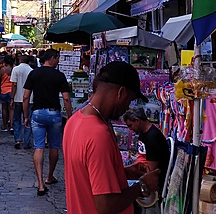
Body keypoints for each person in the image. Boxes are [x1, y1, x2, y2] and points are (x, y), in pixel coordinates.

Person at [64, 61, 160, 214]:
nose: (127, 107)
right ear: (120, 92)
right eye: (128, 100)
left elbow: (87, 176)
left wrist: (123, 172)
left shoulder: (74, 121)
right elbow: (105, 205)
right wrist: (142, 186)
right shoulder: (98, 134)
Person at [23, 48, 72, 196]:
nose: (58, 61)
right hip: (54, 113)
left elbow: (26, 96)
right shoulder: (59, 75)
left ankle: (40, 183)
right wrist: (70, 117)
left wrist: (25, 115)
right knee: (54, 146)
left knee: (38, 147)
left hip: (37, 113)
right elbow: (66, 98)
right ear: (52, 58)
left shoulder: (34, 73)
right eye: (57, 58)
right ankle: (49, 176)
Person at [122, 106, 170, 190]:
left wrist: (135, 172)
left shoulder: (152, 138)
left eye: (130, 125)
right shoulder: (144, 134)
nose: (130, 129)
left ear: (137, 121)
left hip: (154, 183)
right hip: (144, 173)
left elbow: (151, 172)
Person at [10, 54, 33, 149]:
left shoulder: (15, 69)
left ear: (20, 60)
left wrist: (12, 97)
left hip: (18, 98)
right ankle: (27, 142)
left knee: (17, 119)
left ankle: (18, 139)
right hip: (30, 99)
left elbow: (14, 85)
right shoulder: (31, 71)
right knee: (28, 120)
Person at [0, 57, 14, 131]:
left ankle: (4, 125)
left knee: (4, 108)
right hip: (11, 90)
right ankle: (11, 125)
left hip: (3, 91)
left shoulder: (2, 70)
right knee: (11, 109)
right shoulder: (14, 70)